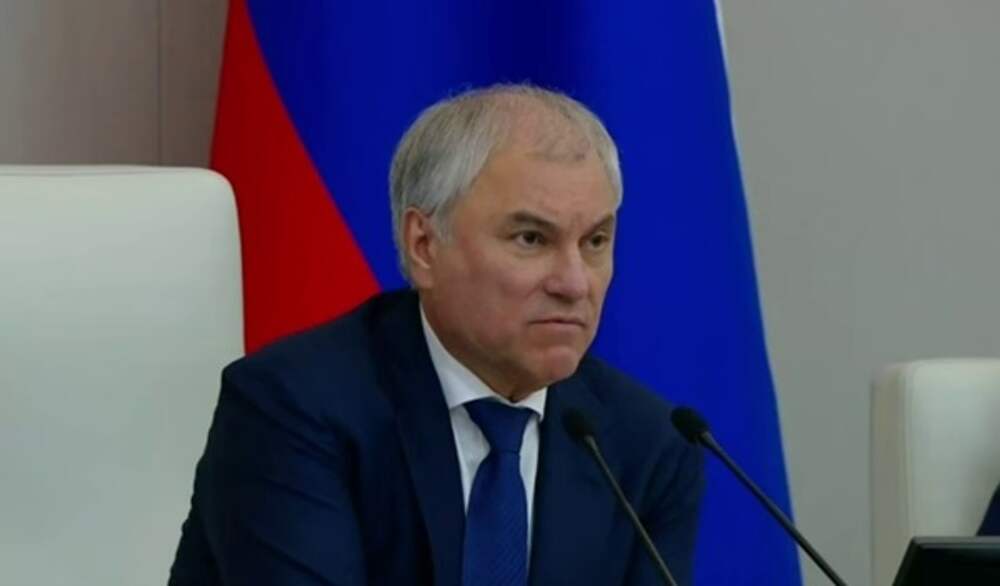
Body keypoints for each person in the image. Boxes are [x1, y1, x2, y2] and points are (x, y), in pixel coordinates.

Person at [169, 84, 704, 586]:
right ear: (424, 245)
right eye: (531, 238)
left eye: (595, 242)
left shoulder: (646, 446)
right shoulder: (295, 408)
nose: (574, 283)